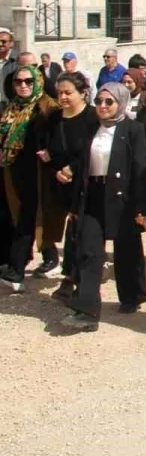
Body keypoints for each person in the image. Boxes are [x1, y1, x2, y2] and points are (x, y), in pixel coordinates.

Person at [58, 82, 146, 331]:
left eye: (108, 102)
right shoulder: (91, 128)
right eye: (99, 101)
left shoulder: (133, 129)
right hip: (92, 195)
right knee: (89, 251)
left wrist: (143, 209)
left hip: (122, 198)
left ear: (120, 103)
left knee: (127, 250)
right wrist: (73, 202)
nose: (102, 106)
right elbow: (81, 162)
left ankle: (132, 295)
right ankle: (87, 311)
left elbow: (141, 169)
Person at [0, 66, 59, 291]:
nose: (23, 85)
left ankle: (17, 271)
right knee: (20, 219)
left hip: (39, 175)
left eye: (28, 81)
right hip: (14, 173)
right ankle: (17, 265)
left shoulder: (47, 109)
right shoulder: (12, 109)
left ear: (37, 82)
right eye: (18, 82)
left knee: (33, 219)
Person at [43, 72, 98, 301]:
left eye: (68, 92)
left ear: (83, 92)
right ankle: (70, 275)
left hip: (87, 182)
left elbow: (95, 151)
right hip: (60, 183)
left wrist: (73, 169)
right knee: (68, 230)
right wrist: (56, 169)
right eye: (60, 93)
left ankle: (74, 279)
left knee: (79, 232)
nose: (63, 97)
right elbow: (48, 150)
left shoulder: (93, 117)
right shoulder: (54, 118)